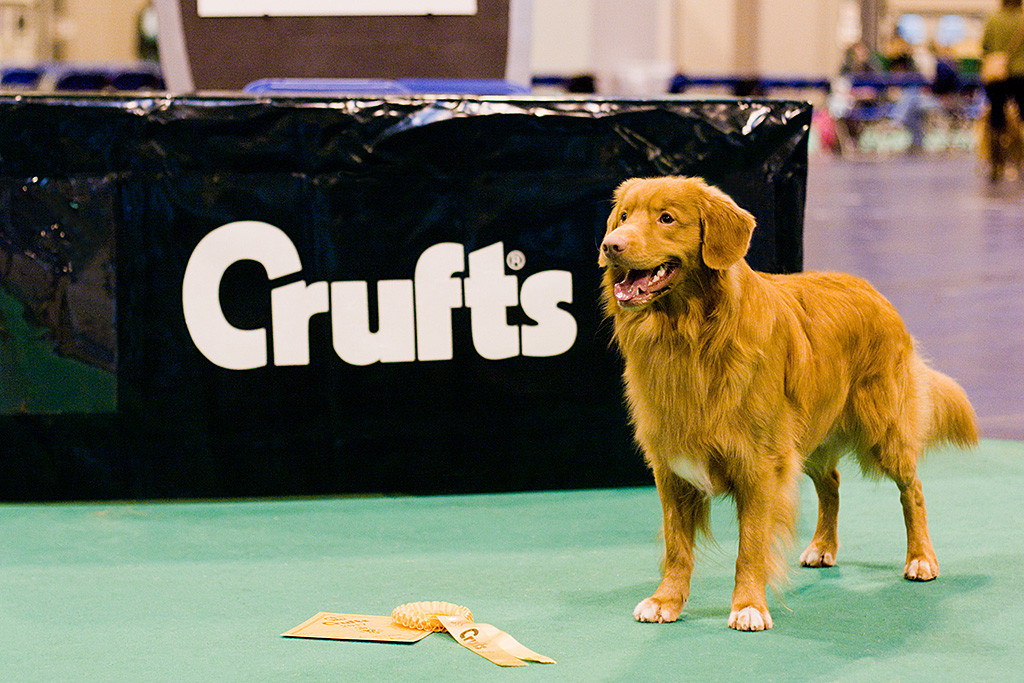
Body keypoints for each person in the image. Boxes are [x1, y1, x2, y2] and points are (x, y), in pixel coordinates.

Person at [981, 0, 1024, 181]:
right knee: (1023, 116)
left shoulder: (993, 18)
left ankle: (997, 162)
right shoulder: (1023, 19)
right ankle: (1020, 157)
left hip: (997, 75)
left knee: (996, 116)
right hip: (1021, 74)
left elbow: (985, 46)